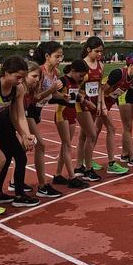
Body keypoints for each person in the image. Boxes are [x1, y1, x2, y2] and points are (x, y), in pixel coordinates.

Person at [17, 43, 65, 198]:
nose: (60, 59)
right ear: (47, 57)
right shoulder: (40, 72)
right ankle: (43, 185)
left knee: (23, 149)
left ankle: (13, 181)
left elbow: (52, 95)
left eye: (61, 56)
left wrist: (62, 96)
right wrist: (51, 90)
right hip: (28, 111)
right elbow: (36, 97)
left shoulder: (56, 72)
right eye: (57, 56)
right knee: (41, 145)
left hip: (37, 112)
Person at [0, 58, 39, 206]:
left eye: (23, 77)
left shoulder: (20, 89)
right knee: (20, 158)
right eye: (19, 77)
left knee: (5, 160)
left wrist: (25, 135)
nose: (21, 80)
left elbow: (19, 116)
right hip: (2, 125)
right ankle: (18, 195)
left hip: (8, 125)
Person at [101, 52, 133, 170]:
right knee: (96, 130)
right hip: (100, 102)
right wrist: (102, 106)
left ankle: (129, 157)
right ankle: (130, 158)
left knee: (95, 130)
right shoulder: (118, 73)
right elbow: (102, 91)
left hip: (110, 101)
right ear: (131, 64)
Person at [53, 60, 92, 188]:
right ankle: (72, 177)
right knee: (67, 146)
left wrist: (85, 101)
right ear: (73, 71)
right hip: (62, 114)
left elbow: (76, 96)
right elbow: (53, 95)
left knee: (65, 146)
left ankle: (58, 175)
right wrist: (61, 96)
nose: (82, 79)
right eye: (80, 75)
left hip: (71, 114)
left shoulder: (76, 82)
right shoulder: (63, 81)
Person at [74, 37, 103, 181]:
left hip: (93, 103)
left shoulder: (100, 65)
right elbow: (74, 89)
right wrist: (85, 101)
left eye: (101, 52)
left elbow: (100, 87)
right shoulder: (81, 65)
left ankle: (79, 167)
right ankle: (88, 169)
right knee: (92, 134)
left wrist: (99, 103)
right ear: (88, 50)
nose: (99, 54)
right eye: (97, 51)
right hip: (82, 104)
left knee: (83, 136)